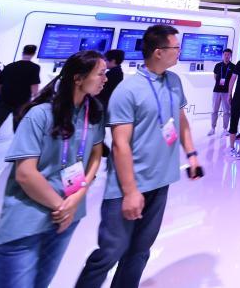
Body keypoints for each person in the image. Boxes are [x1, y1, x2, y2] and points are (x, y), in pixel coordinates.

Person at [75, 24, 202, 288]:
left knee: (140, 251)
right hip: (128, 185)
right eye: (176, 47)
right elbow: (120, 144)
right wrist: (131, 191)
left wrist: (191, 155)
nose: (179, 52)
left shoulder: (174, 81)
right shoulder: (128, 90)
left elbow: (181, 120)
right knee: (111, 251)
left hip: (160, 181)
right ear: (158, 52)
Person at [0, 50, 107, 288]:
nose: (105, 79)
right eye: (100, 74)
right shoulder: (40, 114)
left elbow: (96, 154)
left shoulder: (93, 113)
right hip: (29, 220)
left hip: (67, 218)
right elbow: (25, 174)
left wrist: (77, 197)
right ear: (78, 78)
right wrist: (61, 207)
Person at [0, 45, 42, 160]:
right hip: (22, 102)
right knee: (19, 127)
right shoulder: (34, 67)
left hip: (4, 101)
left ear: (23, 52)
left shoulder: (10, 66)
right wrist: (35, 100)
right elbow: (34, 87)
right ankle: (19, 152)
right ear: (33, 53)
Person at [209, 48, 234, 137]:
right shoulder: (218, 65)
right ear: (223, 55)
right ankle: (212, 128)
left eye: (228, 55)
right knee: (214, 110)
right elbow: (215, 77)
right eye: (225, 54)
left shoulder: (233, 66)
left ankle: (225, 129)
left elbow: (233, 80)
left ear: (230, 56)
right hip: (216, 90)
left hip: (226, 91)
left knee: (226, 111)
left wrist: (230, 92)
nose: (226, 56)